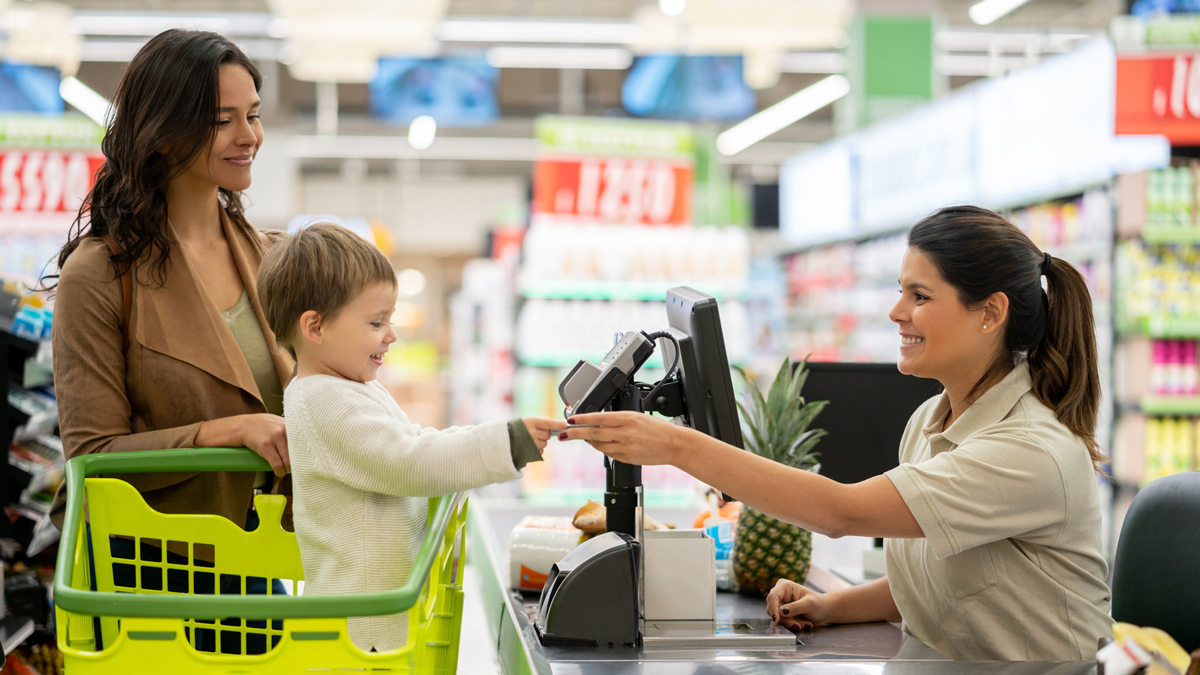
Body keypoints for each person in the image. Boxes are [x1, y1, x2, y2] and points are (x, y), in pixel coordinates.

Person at [560, 206, 1112, 661]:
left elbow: (840, 513)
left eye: (920, 296)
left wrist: (674, 445)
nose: (897, 312)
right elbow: (947, 575)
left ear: (990, 313)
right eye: (901, 292)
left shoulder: (1027, 450)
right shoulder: (931, 420)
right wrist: (834, 606)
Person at [256, 222, 564, 653]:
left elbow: (412, 441)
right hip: (358, 639)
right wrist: (506, 442)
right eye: (376, 321)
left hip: (374, 630)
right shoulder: (322, 399)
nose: (391, 334)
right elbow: (408, 460)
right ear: (315, 327)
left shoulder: (350, 388)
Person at [47, 30, 291, 533]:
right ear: (160, 132)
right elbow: (92, 455)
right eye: (222, 121)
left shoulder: (272, 259)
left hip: (258, 566)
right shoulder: (99, 274)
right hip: (143, 575)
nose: (248, 135)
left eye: (254, 114)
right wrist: (228, 432)